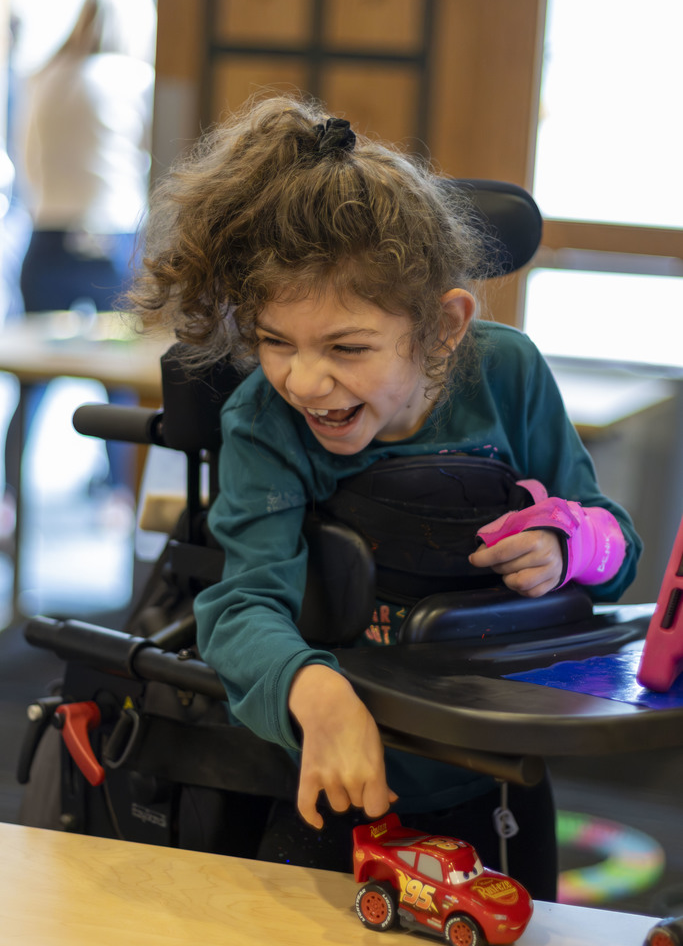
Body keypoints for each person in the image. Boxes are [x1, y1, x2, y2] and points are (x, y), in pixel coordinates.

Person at [127, 93, 642, 900]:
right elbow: (240, 607)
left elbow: (613, 542)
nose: (304, 379)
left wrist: (569, 546)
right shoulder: (265, 419)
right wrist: (315, 691)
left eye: (347, 348)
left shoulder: (504, 373)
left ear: (442, 327)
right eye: (274, 342)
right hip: (336, 770)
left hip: (494, 764)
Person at [6, 0, 154, 500]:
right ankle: (122, 497)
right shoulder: (130, 79)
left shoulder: (41, 79)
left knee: (31, 387)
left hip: (44, 238)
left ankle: (8, 502)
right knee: (121, 380)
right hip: (109, 240)